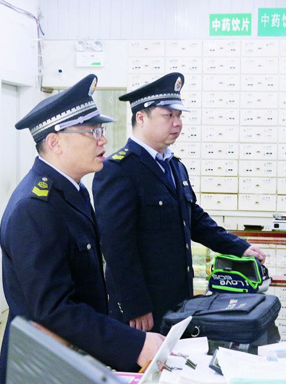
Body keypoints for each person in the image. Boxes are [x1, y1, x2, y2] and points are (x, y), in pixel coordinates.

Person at [0, 74, 164, 384]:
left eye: (100, 130)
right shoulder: (35, 208)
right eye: (92, 132)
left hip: (69, 362)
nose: (103, 140)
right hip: (41, 376)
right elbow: (53, 309)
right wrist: (134, 344)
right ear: (55, 142)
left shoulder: (73, 192)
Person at [92, 72, 265, 333]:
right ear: (141, 118)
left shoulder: (173, 165)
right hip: (143, 307)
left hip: (178, 298)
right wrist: (135, 304)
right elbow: (116, 246)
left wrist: (238, 246)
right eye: (168, 115)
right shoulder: (119, 170)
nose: (177, 123)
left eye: (179, 116)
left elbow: (193, 218)